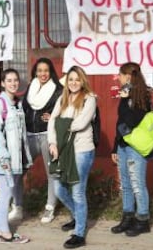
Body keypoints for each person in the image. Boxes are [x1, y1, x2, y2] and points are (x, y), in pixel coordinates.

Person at [47, 65, 97, 249]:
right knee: (59, 189)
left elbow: (81, 123)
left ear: (82, 81)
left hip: (81, 150)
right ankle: (78, 215)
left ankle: (79, 233)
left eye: (77, 79)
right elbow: (52, 121)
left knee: (77, 191)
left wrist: (63, 125)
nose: (74, 83)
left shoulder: (89, 99)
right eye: (71, 80)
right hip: (61, 149)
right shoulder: (62, 99)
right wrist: (53, 142)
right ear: (67, 82)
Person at [110, 62, 153, 237]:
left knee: (137, 184)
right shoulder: (125, 96)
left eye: (120, 75)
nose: (118, 78)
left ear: (128, 76)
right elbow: (120, 123)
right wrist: (115, 147)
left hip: (136, 148)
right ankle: (127, 217)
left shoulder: (143, 98)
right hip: (122, 146)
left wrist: (126, 98)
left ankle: (142, 220)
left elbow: (132, 122)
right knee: (126, 185)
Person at [0, 68, 32, 244]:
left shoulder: (17, 103)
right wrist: (4, 157)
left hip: (16, 159)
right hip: (5, 159)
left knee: (6, 194)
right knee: (6, 195)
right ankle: (5, 232)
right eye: (9, 80)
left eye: (15, 80)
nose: (13, 83)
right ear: (2, 83)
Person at [19, 58, 63, 224]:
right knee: (19, 170)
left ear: (50, 71)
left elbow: (66, 112)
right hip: (29, 136)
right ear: (35, 72)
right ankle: (17, 205)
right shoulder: (31, 87)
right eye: (39, 70)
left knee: (52, 173)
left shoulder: (59, 90)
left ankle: (50, 208)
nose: (43, 74)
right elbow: (24, 108)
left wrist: (54, 118)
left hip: (47, 136)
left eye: (46, 70)